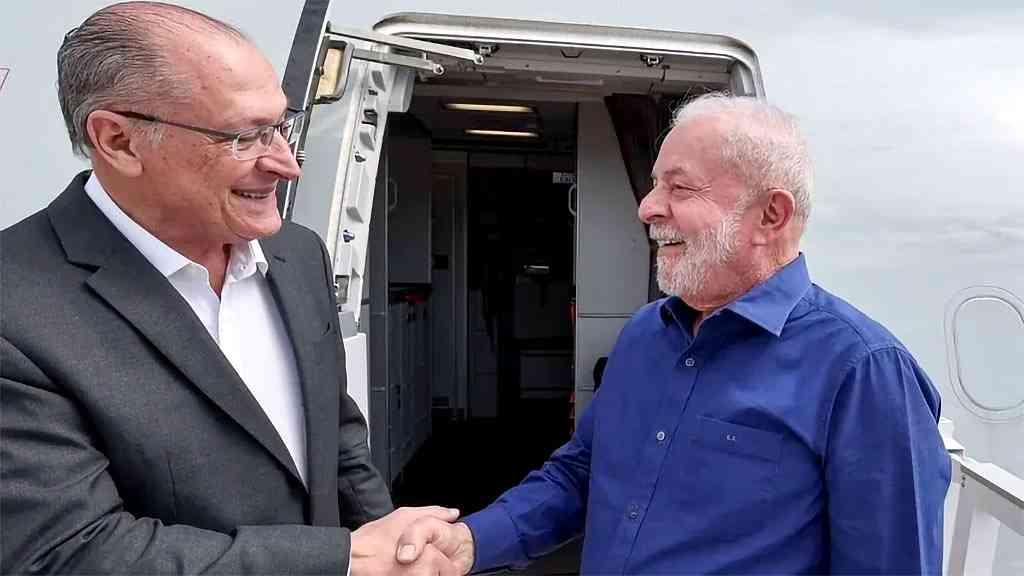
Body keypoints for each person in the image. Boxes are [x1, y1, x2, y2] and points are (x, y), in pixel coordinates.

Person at [395, 94, 952, 574]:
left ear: (771, 216)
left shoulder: (864, 371)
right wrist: (472, 542)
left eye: (679, 188)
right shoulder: (645, 334)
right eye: (654, 185)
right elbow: (583, 473)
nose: (647, 208)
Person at [0, 2, 458, 574]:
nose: (286, 164)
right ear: (118, 140)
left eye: (281, 126)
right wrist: (343, 560)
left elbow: (336, 437)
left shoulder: (297, 255)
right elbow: (67, 552)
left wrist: (397, 548)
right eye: (245, 136)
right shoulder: (16, 307)